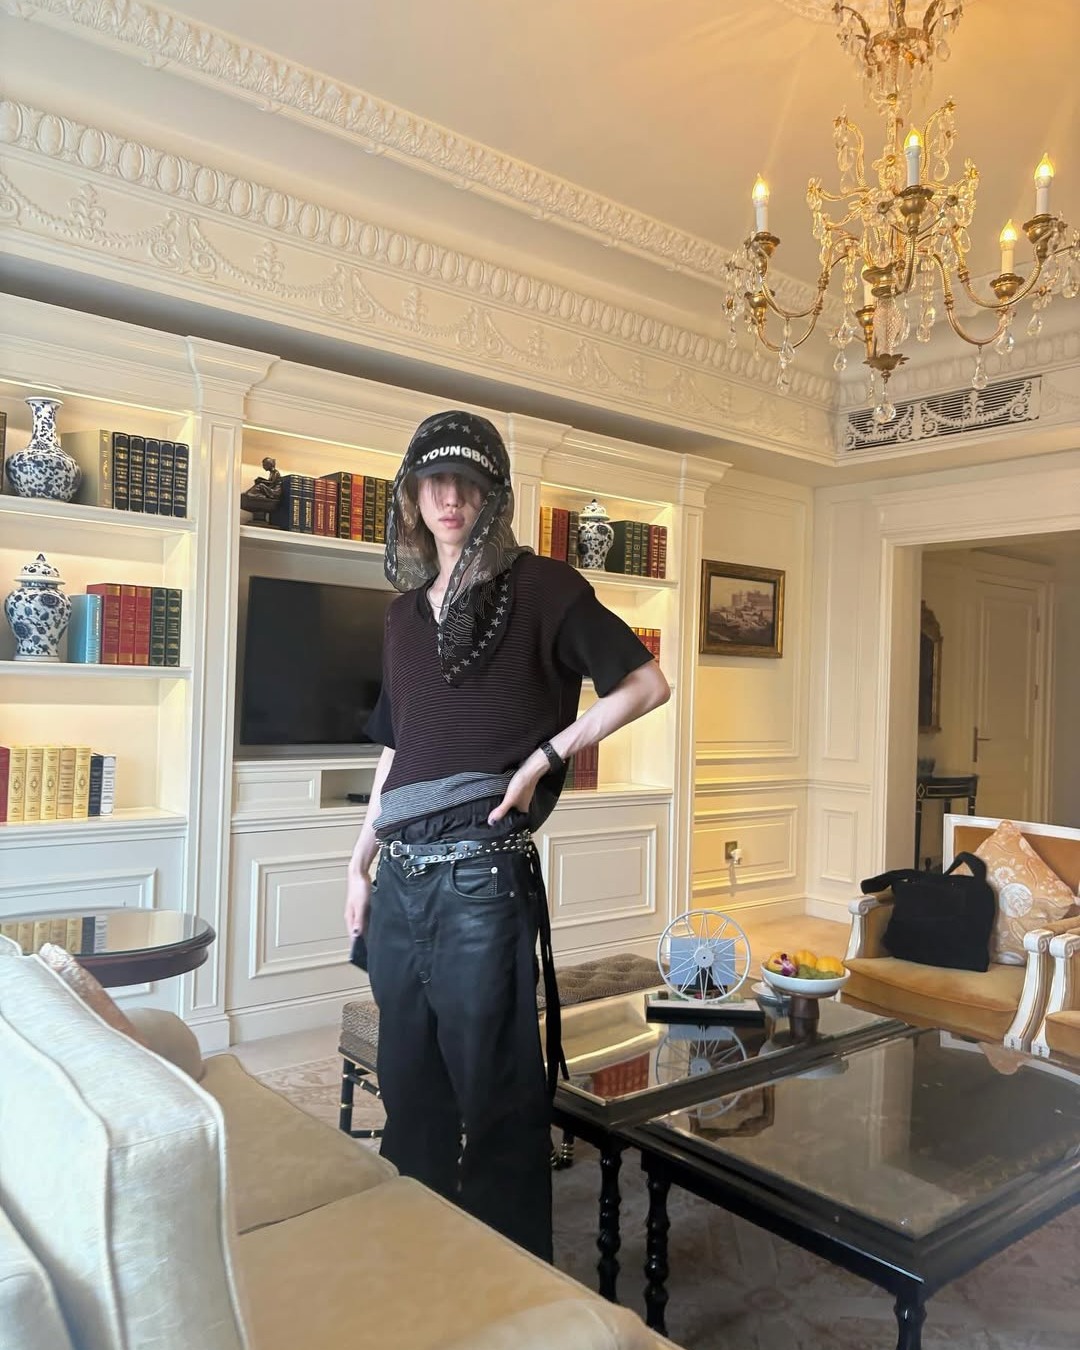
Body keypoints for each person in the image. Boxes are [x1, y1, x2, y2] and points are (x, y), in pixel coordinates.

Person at [344, 409, 669, 1261]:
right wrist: (358, 862)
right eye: (433, 481)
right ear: (411, 495)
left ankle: (513, 1281)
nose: (449, 497)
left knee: (498, 1095)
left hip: (481, 877)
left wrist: (546, 756)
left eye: (467, 481)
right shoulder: (402, 616)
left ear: (493, 494)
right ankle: (422, 1266)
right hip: (399, 876)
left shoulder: (544, 587)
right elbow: (396, 750)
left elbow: (646, 683)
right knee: (410, 1090)